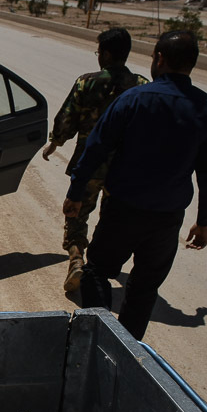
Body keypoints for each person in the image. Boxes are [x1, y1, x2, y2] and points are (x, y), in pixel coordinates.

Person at [62, 30, 207, 340]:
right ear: (191, 64)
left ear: (160, 59)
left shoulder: (134, 99)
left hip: (122, 210)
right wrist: (204, 222)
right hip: (167, 220)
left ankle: (97, 336)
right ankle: (129, 349)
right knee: (144, 287)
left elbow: (95, 147)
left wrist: (76, 193)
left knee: (96, 272)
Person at [42, 28, 148, 292]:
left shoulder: (87, 83)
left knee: (77, 213)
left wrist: (55, 142)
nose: (98, 56)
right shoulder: (142, 86)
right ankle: (101, 265)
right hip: (124, 169)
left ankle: (77, 259)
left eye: (99, 51)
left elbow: (68, 116)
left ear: (108, 54)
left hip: (90, 164)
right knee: (112, 217)